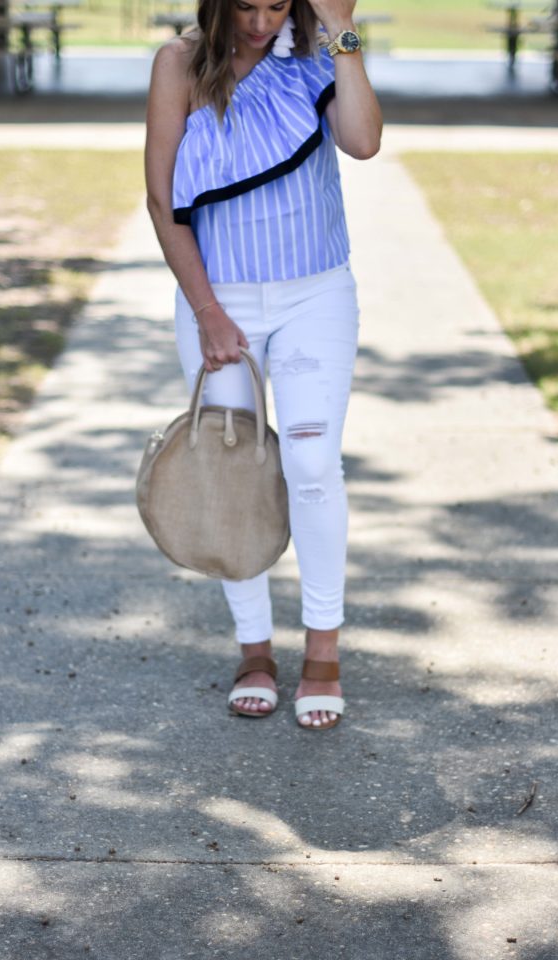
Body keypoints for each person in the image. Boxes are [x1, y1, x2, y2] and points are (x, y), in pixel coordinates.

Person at [145, 0, 382, 730]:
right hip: (218, 300)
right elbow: (161, 199)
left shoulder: (318, 53)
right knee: (231, 467)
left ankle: (322, 649)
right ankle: (254, 649)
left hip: (315, 292)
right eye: (244, 4)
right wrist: (209, 311)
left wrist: (341, 31)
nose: (259, 19)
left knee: (311, 465)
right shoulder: (179, 63)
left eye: (276, 3)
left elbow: (363, 142)